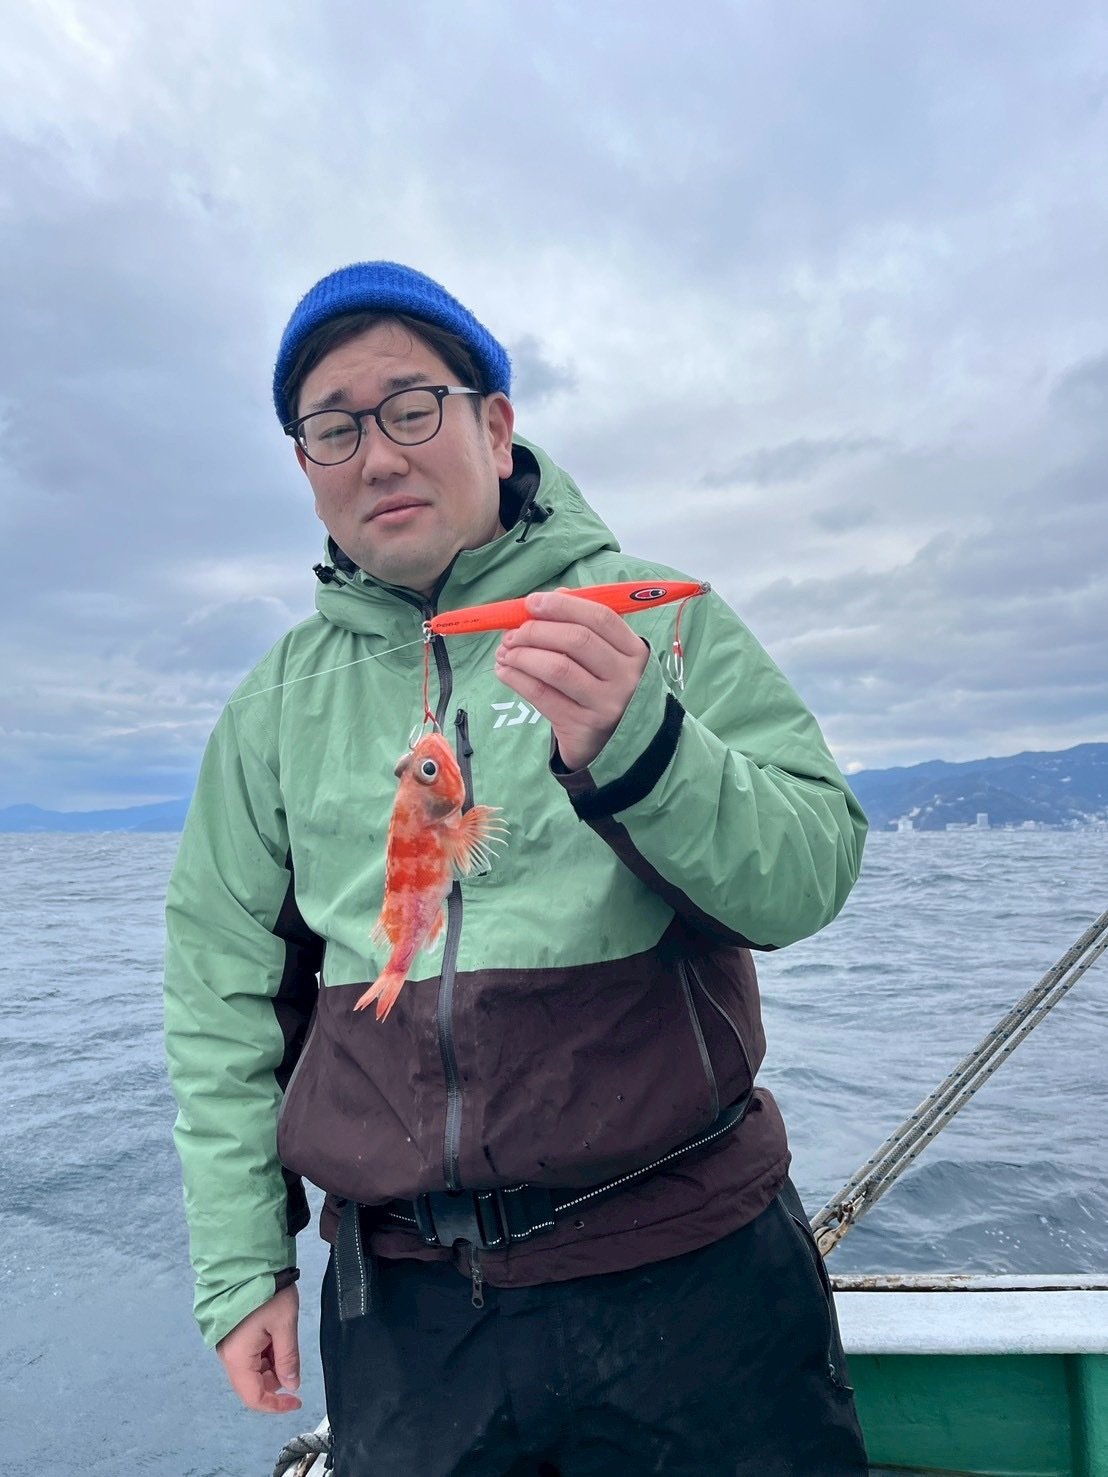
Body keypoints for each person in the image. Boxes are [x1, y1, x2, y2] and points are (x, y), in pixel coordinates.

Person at [164, 260, 870, 1476]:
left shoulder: (659, 619)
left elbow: (809, 873)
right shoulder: (271, 704)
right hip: (409, 1313)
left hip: (693, 1271)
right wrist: (243, 1263)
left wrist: (645, 745)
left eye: (411, 407)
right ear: (305, 466)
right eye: (333, 427)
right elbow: (219, 993)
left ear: (496, 426)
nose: (377, 455)